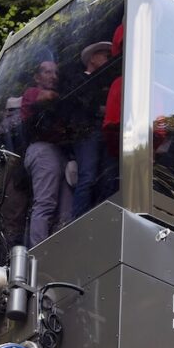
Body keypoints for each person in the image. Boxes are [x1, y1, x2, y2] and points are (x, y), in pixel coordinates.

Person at [22, 60, 72, 247]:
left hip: (60, 152)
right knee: (45, 204)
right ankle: (39, 252)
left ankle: (58, 252)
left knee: (66, 210)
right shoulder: (32, 93)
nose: (53, 76)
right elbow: (49, 96)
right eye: (48, 72)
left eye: (56, 73)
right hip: (42, 149)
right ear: (37, 77)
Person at [67, 40, 112, 217]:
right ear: (92, 58)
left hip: (102, 132)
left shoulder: (102, 84)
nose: (109, 60)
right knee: (88, 176)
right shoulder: (80, 80)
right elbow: (81, 105)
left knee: (104, 175)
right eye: (106, 56)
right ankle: (78, 219)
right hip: (87, 133)